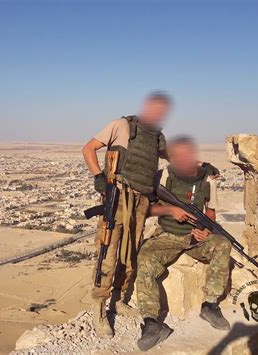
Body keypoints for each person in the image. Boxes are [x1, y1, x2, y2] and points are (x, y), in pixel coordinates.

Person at [82, 92, 171, 339]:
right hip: (118, 197)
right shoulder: (123, 125)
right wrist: (99, 177)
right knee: (108, 253)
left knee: (130, 254)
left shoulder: (157, 137)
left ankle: (118, 300)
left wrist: (203, 167)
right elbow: (89, 148)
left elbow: (173, 159)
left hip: (141, 202)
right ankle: (99, 307)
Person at [136, 135, 231, 351]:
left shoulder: (208, 178)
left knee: (223, 245)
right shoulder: (164, 176)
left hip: (194, 239)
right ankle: (152, 323)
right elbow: (146, 209)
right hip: (167, 235)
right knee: (145, 257)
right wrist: (170, 210)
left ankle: (210, 305)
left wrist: (205, 230)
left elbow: (211, 213)